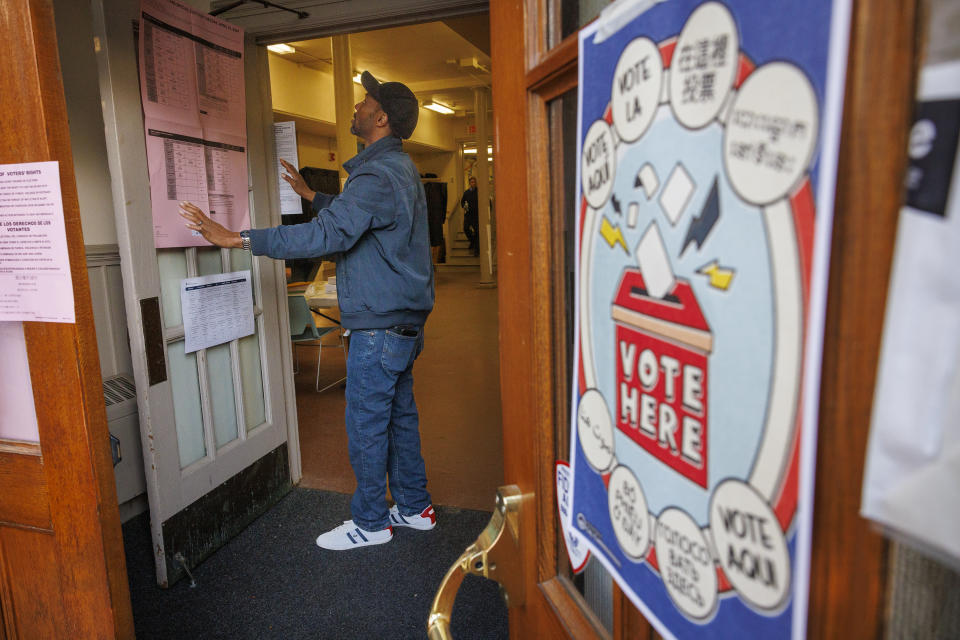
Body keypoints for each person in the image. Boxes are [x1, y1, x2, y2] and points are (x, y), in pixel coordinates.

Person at [179, 71, 437, 551]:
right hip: (402, 323)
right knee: (400, 415)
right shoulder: (398, 170)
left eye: (364, 102)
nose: (356, 107)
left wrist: (238, 238)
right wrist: (312, 195)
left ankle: (371, 523)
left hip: (379, 328)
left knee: (366, 422)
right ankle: (414, 506)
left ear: (381, 118)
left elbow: (328, 234)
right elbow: (362, 216)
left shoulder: (375, 174)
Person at [460, 176, 479, 256]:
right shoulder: (466, 193)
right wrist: (465, 206)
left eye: (474, 182)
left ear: (476, 183)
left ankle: (477, 250)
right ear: (469, 183)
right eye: (471, 182)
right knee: (466, 229)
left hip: (477, 215)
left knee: (477, 232)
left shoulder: (479, 192)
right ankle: (473, 241)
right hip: (468, 215)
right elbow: (462, 202)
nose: (473, 183)